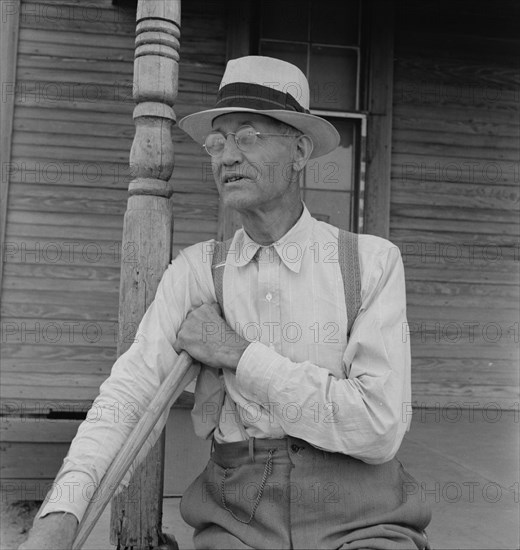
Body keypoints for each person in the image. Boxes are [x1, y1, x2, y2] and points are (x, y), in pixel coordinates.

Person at [20, 56, 431, 549]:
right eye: (218, 142)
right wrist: (62, 512)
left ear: (299, 151)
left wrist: (238, 354)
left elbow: (378, 427)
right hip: (239, 520)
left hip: (364, 516)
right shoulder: (198, 271)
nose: (226, 157)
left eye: (248, 136)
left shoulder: (370, 263)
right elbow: (130, 395)